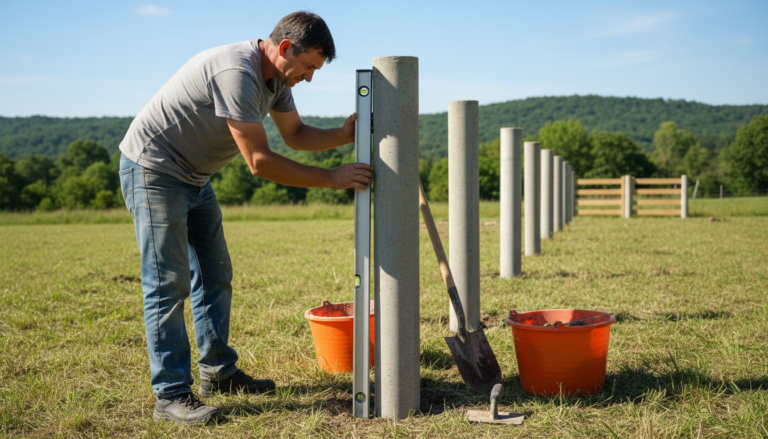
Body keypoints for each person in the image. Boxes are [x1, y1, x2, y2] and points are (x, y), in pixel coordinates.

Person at [118, 11, 372, 425]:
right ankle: (170, 395)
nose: (309, 77)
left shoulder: (277, 79)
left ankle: (219, 373)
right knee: (168, 282)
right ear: (285, 48)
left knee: (216, 273)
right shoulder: (238, 71)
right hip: (154, 170)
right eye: (308, 66)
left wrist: (343, 135)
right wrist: (332, 178)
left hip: (195, 176)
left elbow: (296, 135)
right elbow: (258, 161)